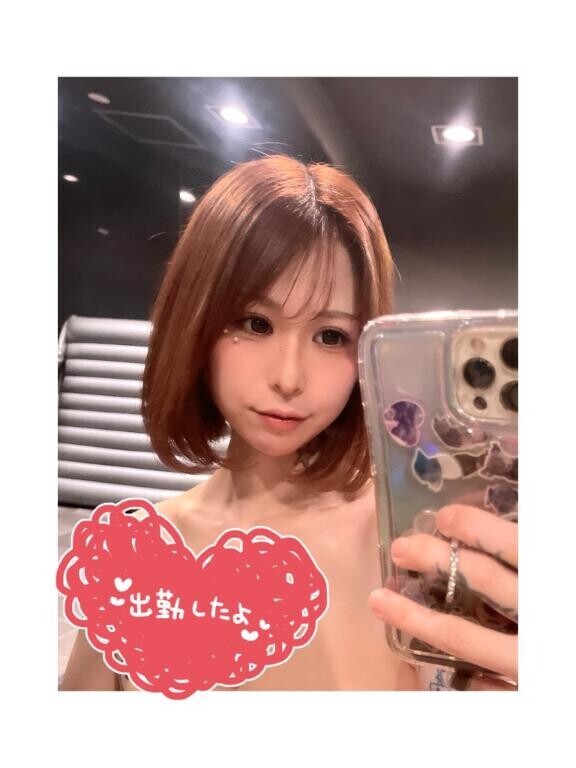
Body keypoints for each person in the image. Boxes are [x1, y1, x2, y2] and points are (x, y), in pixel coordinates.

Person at [60, 154, 517, 692]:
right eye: (255, 323)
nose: (289, 378)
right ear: (196, 320)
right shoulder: (140, 553)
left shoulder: (412, 544)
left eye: (331, 336)